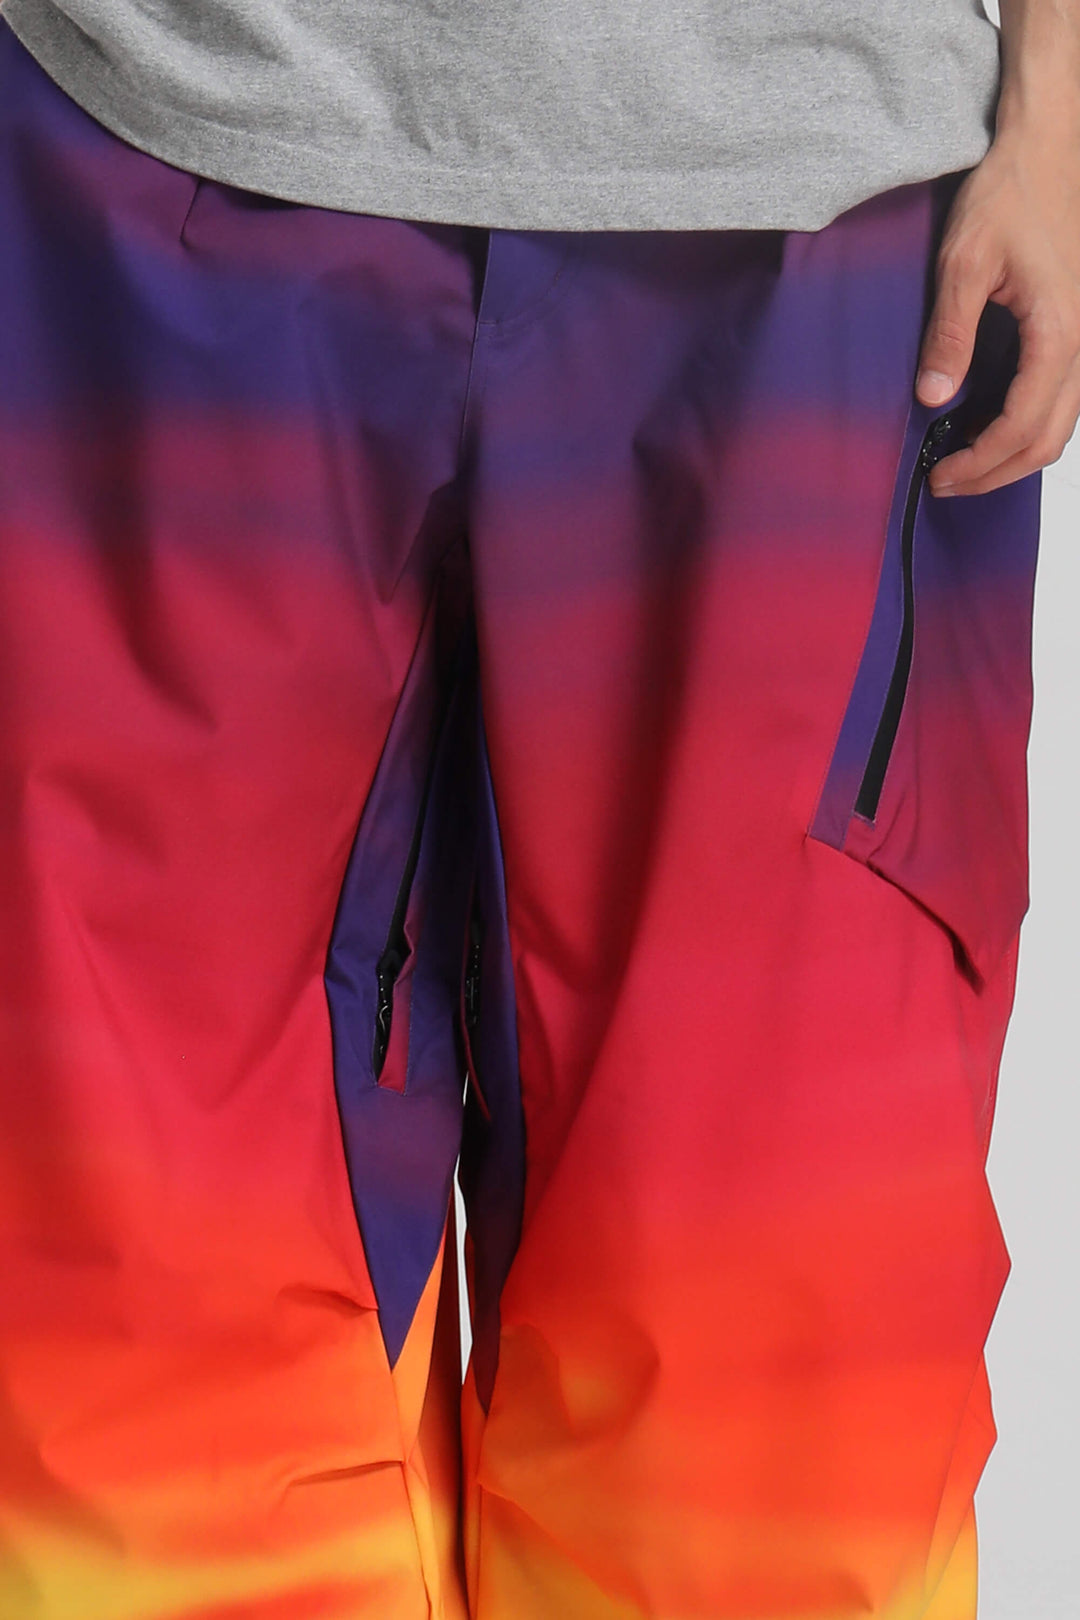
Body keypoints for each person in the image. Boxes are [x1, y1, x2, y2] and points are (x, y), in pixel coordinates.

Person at [0, 0, 1077, 1616]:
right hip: (156, 121)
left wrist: (1060, 99)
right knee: (137, 1331)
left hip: (811, 180)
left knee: (766, 1387)